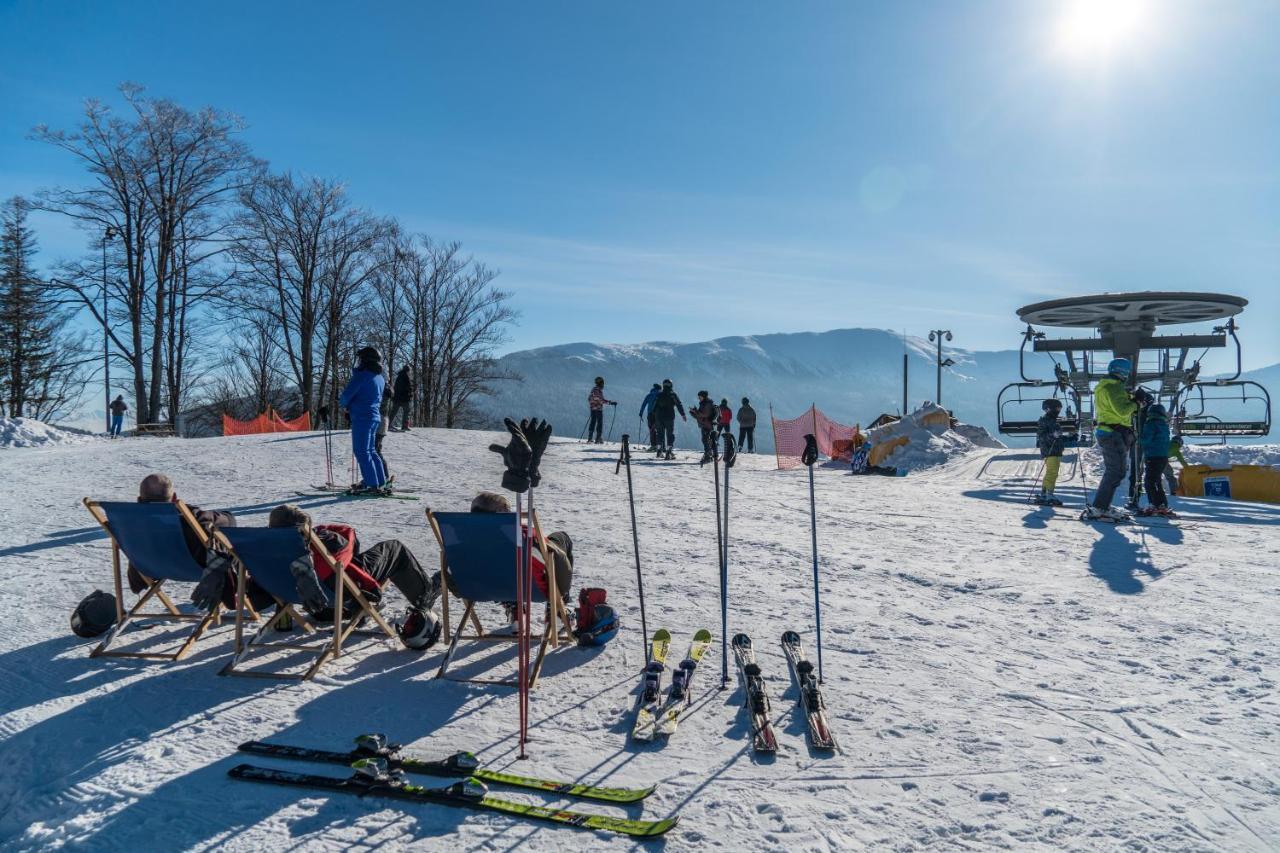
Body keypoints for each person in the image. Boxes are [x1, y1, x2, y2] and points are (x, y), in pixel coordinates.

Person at [265, 503, 442, 649]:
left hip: (316, 605)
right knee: (394, 548)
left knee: (342, 567)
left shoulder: (266, 549)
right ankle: (425, 594)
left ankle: (355, 605)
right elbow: (346, 547)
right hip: (340, 592)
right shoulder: (321, 543)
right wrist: (319, 535)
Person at [468, 491, 575, 625]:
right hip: (530, 589)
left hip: (488, 588)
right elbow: (553, 563)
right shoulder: (522, 537)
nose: (511, 514)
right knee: (561, 539)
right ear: (499, 515)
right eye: (506, 511)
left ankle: (516, 611)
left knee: (502, 569)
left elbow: (452, 571)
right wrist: (561, 591)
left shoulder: (462, 541)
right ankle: (556, 612)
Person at [1084, 358, 1142, 522]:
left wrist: (1131, 398)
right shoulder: (1114, 387)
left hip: (1109, 431)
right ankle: (1100, 507)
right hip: (1113, 433)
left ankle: (1102, 505)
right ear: (1124, 372)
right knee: (1115, 471)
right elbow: (1122, 411)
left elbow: (1113, 406)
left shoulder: (1104, 387)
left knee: (1116, 471)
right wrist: (1136, 404)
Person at [339, 347, 388, 493]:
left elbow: (345, 397)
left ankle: (371, 484)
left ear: (365, 360)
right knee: (371, 450)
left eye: (360, 359)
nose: (358, 361)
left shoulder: (362, 376)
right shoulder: (379, 377)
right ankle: (380, 481)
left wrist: (345, 403)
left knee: (361, 451)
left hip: (362, 417)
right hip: (374, 416)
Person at [1139, 404, 1176, 517]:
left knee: (1150, 481)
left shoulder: (1151, 424)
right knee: (1156, 480)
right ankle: (1161, 504)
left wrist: (1138, 439)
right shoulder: (1163, 425)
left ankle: (1156, 504)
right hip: (1162, 457)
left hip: (1153, 456)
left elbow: (1146, 439)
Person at [1035, 398, 1066, 506]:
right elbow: (1042, 437)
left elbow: (1057, 437)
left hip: (1055, 450)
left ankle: (1044, 494)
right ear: (1048, 409)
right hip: (1049, 450)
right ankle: (1049, 494)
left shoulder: (1053, 421)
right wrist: (1053, 435)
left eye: (1059, 409)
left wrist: (1068, 438)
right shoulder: (1044, 421)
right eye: (1057, 408)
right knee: (1052, 472)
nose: (1058, 411)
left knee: (1050, 472)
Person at [652, 379, 686, 460]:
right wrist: (683, 414)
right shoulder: (673, 394)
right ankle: (668, 452)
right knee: (670, 434)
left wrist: (654, 418)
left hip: (659, 417)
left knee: (660, 433)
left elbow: (654, 407)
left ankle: (659, 451)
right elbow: (679, 404)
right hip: (669, 417)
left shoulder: (659, 394)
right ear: (671, 385)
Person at [586, 377, 615, 444]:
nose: (603, 385)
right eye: (602, 383)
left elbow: (589, 399)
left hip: (593, 409)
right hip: (598, 409)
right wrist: (610, 402)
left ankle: (590, 438)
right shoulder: (597, 391)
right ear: (600, 384)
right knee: (599, 423)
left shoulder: (593, 390)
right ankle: (598, 438)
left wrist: (592, 404)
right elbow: (601, 400)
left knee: (593, 422)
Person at [691, 391, 718, 463]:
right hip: (704, 424)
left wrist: (695, 411)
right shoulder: (703, 404)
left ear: (704, 396)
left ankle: (708, 455)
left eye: (700, 396)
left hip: (708, 424)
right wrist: (693, 413)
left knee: (706, 440)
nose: (699, 398)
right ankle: (709, 454)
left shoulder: (707, 404)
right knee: (705, 440)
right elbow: (699, 416)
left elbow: (704, 415)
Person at [375, 388, 392, 483]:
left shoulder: (383, 390)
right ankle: (382, 476)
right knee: (375, 450)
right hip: (381, 422)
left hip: (379, 422)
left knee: (375, 451)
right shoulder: (384, 389)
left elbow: (376, 406)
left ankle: (383, 476)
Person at [389, 366, 413, 432]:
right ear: (407, 370)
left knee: (393, 411)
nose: (410, 372)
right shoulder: (406, 377)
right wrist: (411, 392)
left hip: (397, 397)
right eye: (409, 371)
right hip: (404, 398)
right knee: (407, 411)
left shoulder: (399, 376)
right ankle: (404, 426)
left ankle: (388, 424)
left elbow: (397, 387)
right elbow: (408, 388)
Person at [639, 383, 661, 450]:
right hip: (659, 415)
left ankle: (653, 445)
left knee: (651, 429)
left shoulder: (649, 395)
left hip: (650, 414)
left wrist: (641, 413)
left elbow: (644, 404)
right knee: (659, 430)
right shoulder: (660, 395)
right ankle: (659, 446)